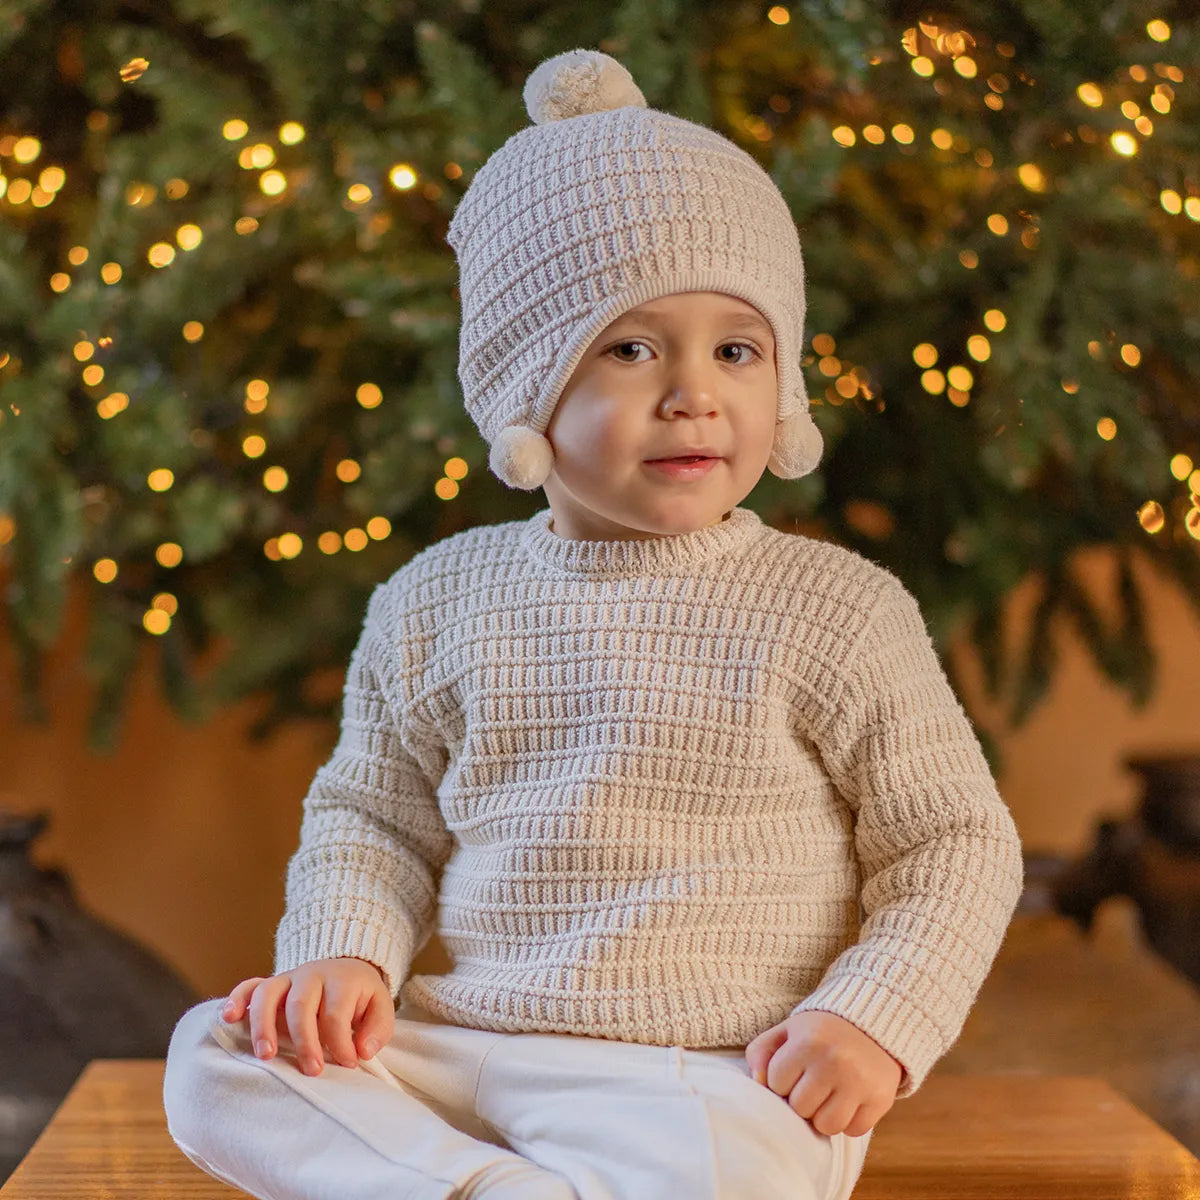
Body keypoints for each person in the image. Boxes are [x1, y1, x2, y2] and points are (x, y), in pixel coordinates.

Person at [163, 47, 1025, 1200]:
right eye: (630, 348)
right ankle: (489, 1190)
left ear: (785, 384)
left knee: (721, 1171)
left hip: (715, 1076)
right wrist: (341, 953)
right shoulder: (437, 601)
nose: (694, 392)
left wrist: (872, 1020)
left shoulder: (837, 612)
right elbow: (373, 817)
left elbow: (954, 844)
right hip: (465, 1052)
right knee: (217, 1055)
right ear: (526, 384)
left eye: (738, 348)